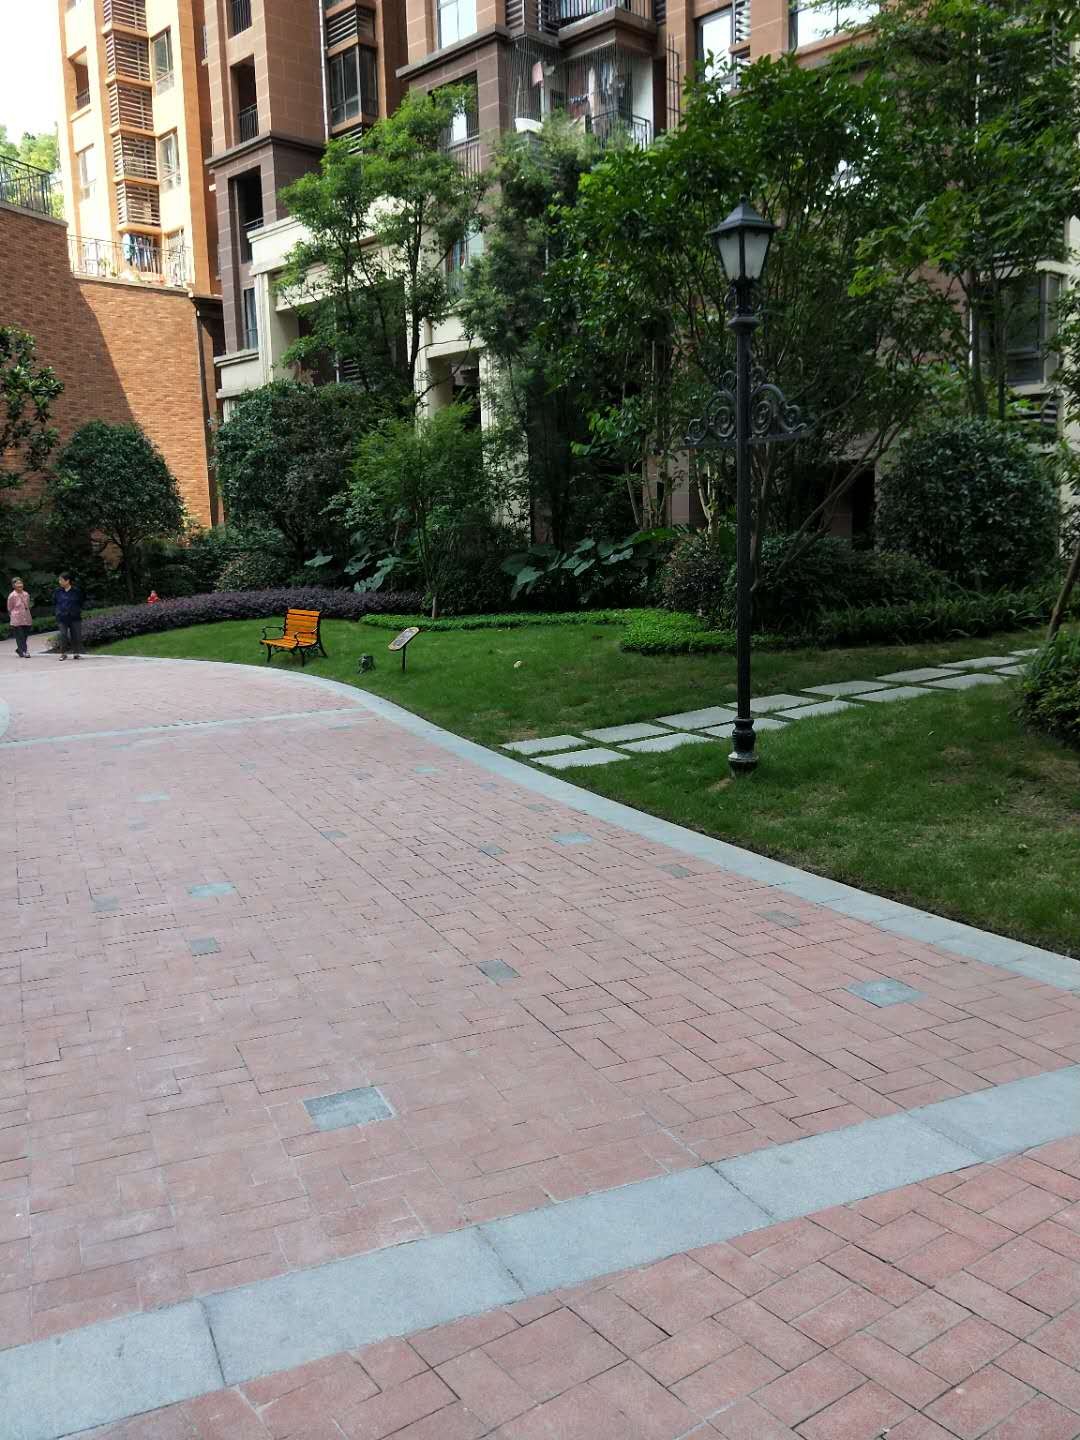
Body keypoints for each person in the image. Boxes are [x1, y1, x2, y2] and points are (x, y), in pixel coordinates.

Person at [54, 573, 84, 661]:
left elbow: (81, 602)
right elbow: (55, 602)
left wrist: (76, 610)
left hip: (75, 617)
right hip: (62, 617)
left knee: (76, 635)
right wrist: (58, 612)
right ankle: (63, 653)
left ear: (67, 581)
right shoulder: (58, 591)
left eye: (61, 580)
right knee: (63, 635)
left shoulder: (76, 591)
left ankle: (76, 653)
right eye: (59, 580)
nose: (59, 582)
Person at [6, 578, 32, 658]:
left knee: (25, 635)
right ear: (13, 585)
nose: (20, 585)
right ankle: (25, 651)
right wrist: (12, 617)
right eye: (17, 583)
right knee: (20, 636)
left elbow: (27, 605)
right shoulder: (12, 596)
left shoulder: (26, 594)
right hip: (17, 618)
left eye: (21, 583)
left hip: (26, 617)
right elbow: (9, 608)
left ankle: (19, 650)